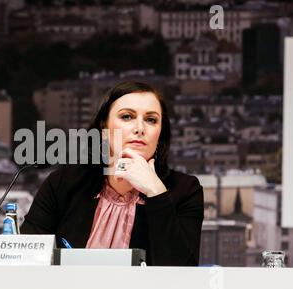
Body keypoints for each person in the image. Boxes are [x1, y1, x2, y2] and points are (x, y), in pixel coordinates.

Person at [21, 81, 204, 266]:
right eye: (127, 116)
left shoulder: (186, 190)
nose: (140, 128)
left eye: (151, 120)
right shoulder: (64, 183)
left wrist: (155, 191)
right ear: (104, 129)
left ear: (160, 132)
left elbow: (183, 273)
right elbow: (24, 259)